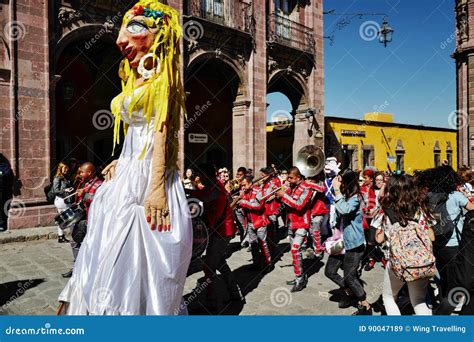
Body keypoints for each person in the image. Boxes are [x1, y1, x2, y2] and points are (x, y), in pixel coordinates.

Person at [58, 1, 193, 315]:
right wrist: (122, 157)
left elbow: (162, 134)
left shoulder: (164, 80)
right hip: (127, 175)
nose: (121, 40)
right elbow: (136, 132)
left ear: (159, 34)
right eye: (122, 32)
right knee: (101, 252)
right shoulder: (139, 78)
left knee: (136, 265)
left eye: (134, 29)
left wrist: (157, 187)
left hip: (148, 178)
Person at [373, 174, 435, 315]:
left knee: (388, 297)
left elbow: (379, 239)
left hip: (397, 262)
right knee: (419, 301)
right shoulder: (420, 209)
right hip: (421, 262)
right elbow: (431, 237)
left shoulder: (385, 209)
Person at [188, 164, 242, 309]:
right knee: (220, 263)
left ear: (207, 176)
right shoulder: (212, 186)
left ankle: (211, 302)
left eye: (200, 175)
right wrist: (186, 190)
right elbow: (202, 193)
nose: (199, 178)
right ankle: (235, 294)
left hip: (222, 232)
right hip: (219, 231)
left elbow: (205, 198)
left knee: (208, 267)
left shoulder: (217, 188)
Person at [426, 166, 474, 314]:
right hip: (454, 242)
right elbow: (472, 207)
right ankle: (449, 307)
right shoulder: (455, 195)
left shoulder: (430, 195)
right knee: (456, 279)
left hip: (437, 240)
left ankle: (442, 300)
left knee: (442, 275)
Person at [331, 169, 371, 315]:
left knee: (349, 275)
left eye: (340, 180)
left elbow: (344, 209)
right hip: (340, 241)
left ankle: (365, 305)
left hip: (353, 243)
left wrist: (336, 191)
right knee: (330, 271)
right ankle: (350, 291)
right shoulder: (345, 194)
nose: (338, 182)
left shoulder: (356, 197)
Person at [61, 162, 103, 278]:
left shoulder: (99, 185)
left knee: (90, 245)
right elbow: (77, 199)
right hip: (81, 218)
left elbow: (100, 201)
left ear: (89, 172)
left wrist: (85, 195)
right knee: (75, 241)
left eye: (81, 172)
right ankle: (77, 267)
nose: (79, 174)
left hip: (92, 220)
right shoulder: (81, 183)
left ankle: (90, 269)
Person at [275, 167, 312, 292]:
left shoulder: (306, 188)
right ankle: (299, 277)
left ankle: (300, 278)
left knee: (295, 250)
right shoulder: (292, 187)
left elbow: (299, 205)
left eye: (290, 178)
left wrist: (284, 195)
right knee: (295, 253)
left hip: (302, 223)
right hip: (291, 223)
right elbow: (287, 204)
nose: (288, 180)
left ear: (298, 177)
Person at [238, 176, 273, 272]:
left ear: (250, 183)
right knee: (253, 244)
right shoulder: (244, 192)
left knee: (263, 244)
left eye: (244, 185)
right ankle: (256, 263)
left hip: (260, 221)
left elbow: (258, 206)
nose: (243, 187)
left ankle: (268, 264)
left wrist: (243, 202)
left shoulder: (258, 191)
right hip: (250, 222)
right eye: (242, 186)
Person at [257, 166, 281, 261]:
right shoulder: (265, 182)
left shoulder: (275, 181)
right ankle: (268, 252)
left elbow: (277, 194)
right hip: (264, 210)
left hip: (271, 210)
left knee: (271, 233)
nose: (262, 177)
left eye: (263, 175)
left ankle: (273, 253)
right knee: (266, 234)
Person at [52, 162, 73, 243]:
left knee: (64, 219)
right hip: (61, 201)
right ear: (60, 168)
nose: (66, 170)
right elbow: (55, 191)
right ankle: (66, 236)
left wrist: (69, 189)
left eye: (67, 168)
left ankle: (61, 237)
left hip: (65, 200)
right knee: (68, 219)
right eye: (65, 168)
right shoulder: (57, 178)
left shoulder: (64, 177)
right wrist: (65, 190)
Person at [0, 153, 13, 232]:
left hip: (1, 190)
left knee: (1, 207)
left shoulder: (4, 166)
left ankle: (1, 224)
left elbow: (8, 174)